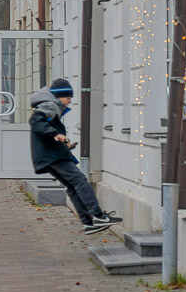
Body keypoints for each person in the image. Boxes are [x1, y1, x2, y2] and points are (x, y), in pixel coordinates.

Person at [31, 79, 123, 235]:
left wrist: (61, 140)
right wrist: (55, 134)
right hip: (53, 156)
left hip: (49, 156)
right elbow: (37, 121)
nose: (70, 100)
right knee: (79, 180)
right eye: (68, 97)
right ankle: (98, 216)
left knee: (72, 186)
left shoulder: (50, 106)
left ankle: (88, 223)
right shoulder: (50, 105)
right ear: (59, 96)